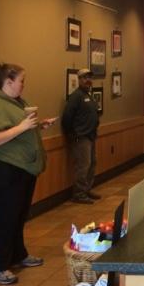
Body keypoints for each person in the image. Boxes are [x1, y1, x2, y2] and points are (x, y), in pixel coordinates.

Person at [0, 62, 57, 285]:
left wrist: (38, 126)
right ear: (9, 82)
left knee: (19, 215)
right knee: (5, 217)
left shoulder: (18, 103)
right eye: (21, 81)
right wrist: (22, 127)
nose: (24, 85)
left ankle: (18, 255)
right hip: (4, 170)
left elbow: (15, 131)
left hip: (22, 170)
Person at [61, 68, 101, 204]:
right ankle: (79, 194)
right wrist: (72, 134)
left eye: (89, 77)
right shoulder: (76, 96)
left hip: (91, 136)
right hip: (81, 137)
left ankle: (87, 189)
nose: (88, 80)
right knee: (83, 166)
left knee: (92, 164)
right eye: (84, 77)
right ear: (79, 80)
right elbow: (66, 118)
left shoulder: (88, 95)